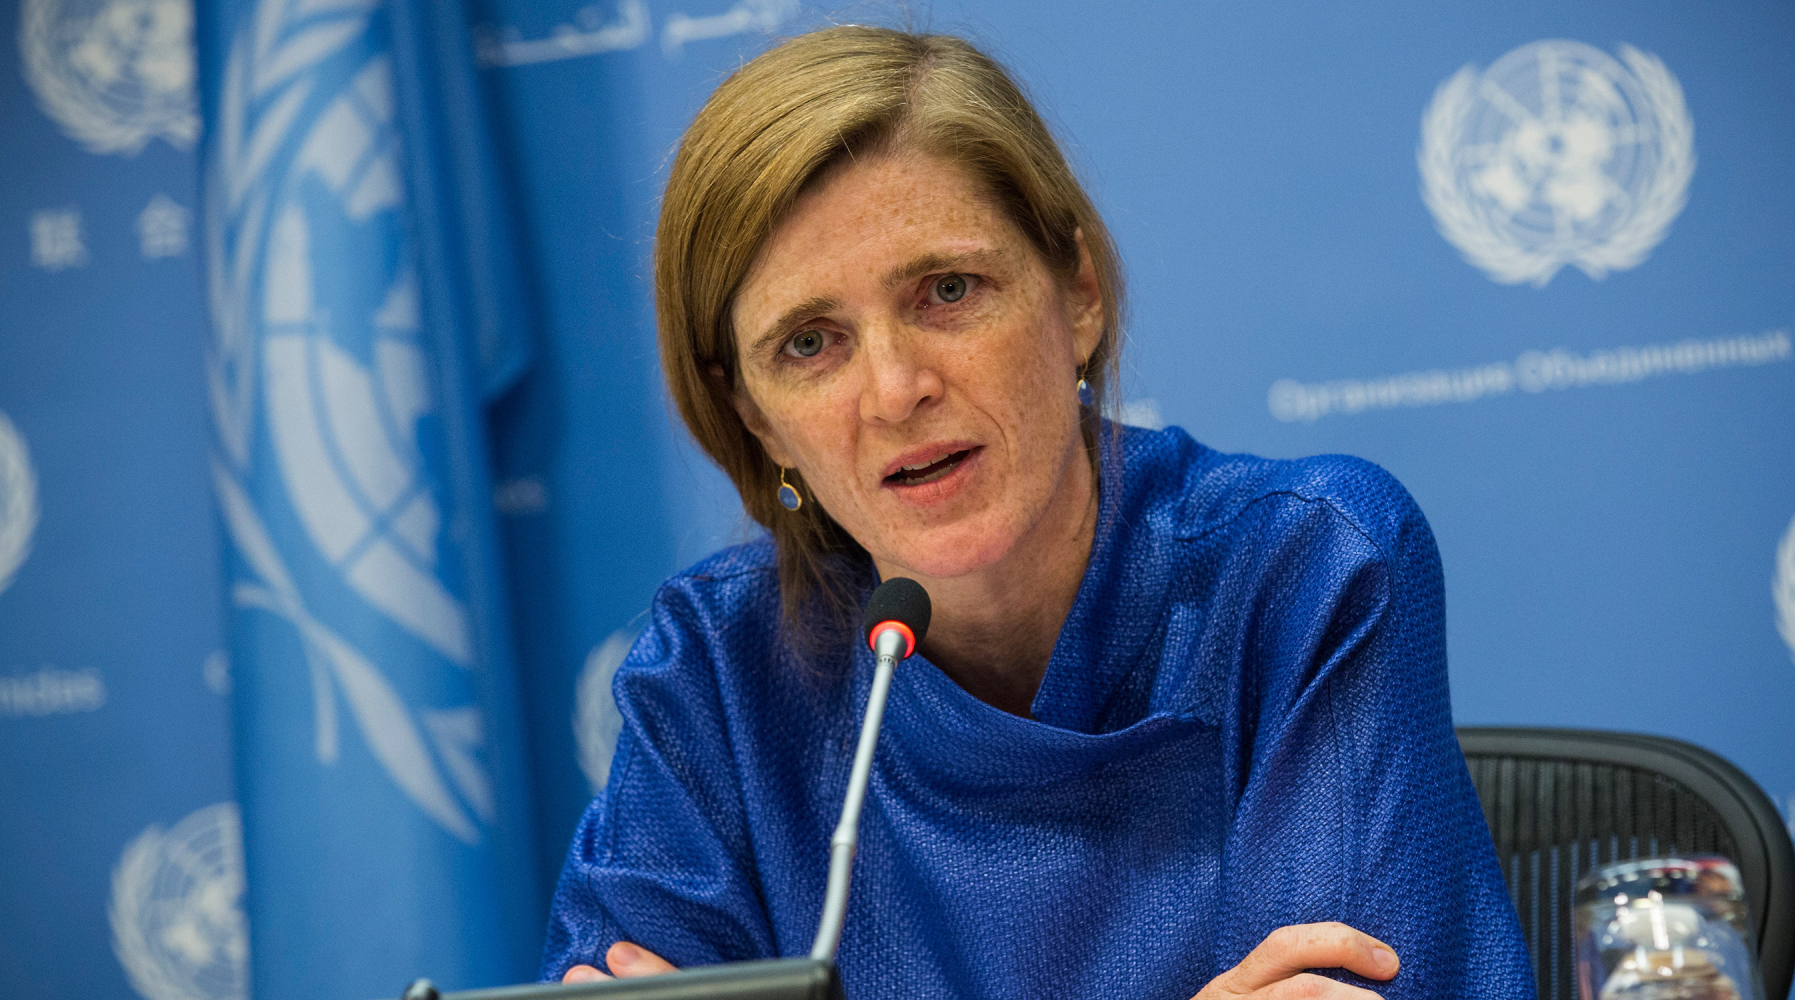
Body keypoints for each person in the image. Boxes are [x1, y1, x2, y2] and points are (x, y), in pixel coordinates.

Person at [543, 25, 1534, 1000]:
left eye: (946, 290)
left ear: (1079, 293)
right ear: (755, 417)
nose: (894, 390)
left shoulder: (1307, 566)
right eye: (809, 343)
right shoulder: (716, 671)